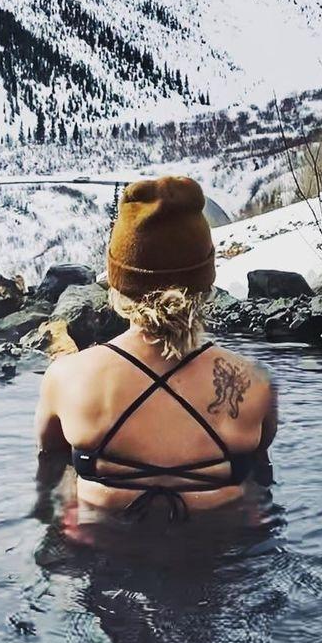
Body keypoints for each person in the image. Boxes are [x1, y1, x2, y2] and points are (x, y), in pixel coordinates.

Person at [35, 175, 276, 524]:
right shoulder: (254, 382)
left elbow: (48, 461)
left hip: (101, 554)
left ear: (118, 283)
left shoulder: (66, 376)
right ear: (206, 284)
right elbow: (262, 470)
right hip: (222, 552)